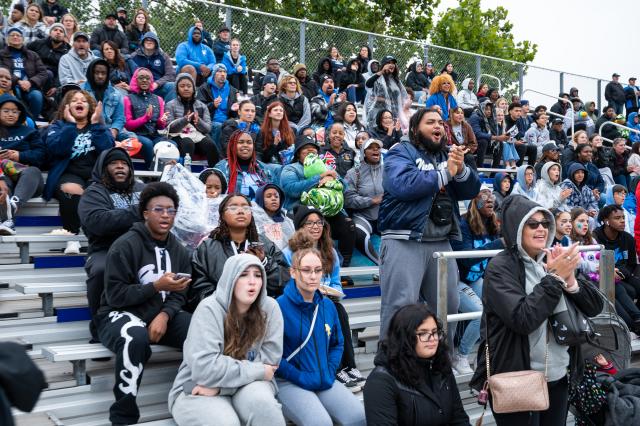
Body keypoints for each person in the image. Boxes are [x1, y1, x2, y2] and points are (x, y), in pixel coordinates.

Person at [469, 194, 603, 426]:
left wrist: (570, 281)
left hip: (559, 375)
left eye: (545, 223)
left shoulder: (553, 258)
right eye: (533, 224)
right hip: (518, 378)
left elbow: (594, 307)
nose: (541, 228)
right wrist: (554, 277)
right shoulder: (500, 268)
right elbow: (523, 319)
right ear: (516, 227)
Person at [378, 108, 481, 336]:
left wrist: (461, 169)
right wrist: (445, 174)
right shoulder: (400, 151)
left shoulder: (448, 155)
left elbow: (472, 189)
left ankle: (441, 363)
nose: (438, 127)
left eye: (440, 123)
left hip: (441, 242)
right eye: (430, 122)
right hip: (404, 239)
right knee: (400, 307)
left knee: (448, 308)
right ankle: (391, 366)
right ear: (415, 129)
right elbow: (402, 184)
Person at [96, 182, 192, 425]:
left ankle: (196, 397)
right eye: (159, 210)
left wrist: (165, 315)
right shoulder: (125, 244)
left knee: (202, 329)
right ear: (145, 213)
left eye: (171, 210)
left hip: (159, 315)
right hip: (118, 313)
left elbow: (180, 294)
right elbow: (115, 295)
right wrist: (156, 287)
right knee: (134, 336)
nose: (165, 216)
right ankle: (123, 417)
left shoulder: (178, 249)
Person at [169, 253, 286, 426]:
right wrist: (256, 370)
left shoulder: (270, 308)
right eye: (244, 275)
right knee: (225, 422)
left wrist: (222, 389)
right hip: (197, 386)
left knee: (265, 407)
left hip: (247, 383)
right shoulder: (209, 309)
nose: (252, 281)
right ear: (230, 278)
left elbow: (269, 365)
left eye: (258, 275)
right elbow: (205, 369)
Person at [275, 245, 366, 426]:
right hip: (289, 382)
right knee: (320, 423)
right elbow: (271, 355)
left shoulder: (328, 306)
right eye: (306, 270)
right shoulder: (278, 307)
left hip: (323, 378)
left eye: (318, 270)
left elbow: (337, 343)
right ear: (293, 272)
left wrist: (329, 369)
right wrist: (300, 377)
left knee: (360, 417)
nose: (313, 276)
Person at [285, 210, 364, 385]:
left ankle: (349, 366)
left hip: (326, 299)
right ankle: (336, 368)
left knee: (338, 310)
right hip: (302, 301)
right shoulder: (290, 252)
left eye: (319, 222)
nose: (315, 227)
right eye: (310, 223)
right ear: (300, 227)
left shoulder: (330, 252)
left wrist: (331, 290)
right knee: (332, 311)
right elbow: (287, 282)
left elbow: (336, 281)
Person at [78, 147, 144, 342]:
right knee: (100, 270)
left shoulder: (142, 189)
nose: (120, 167)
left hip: (142, 248)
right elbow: (98, 222)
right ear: (103, 168)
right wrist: (140, 211)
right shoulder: (94, 192)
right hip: (106, 249)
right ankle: (99, 328)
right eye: (114, 163)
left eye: (124, 164)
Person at [364, 304, 470, 425]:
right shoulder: (381, 381)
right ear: (405, 337)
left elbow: (459, 418)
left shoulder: (440, 365)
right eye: (423, 333)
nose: (433, 339)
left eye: (435, 332)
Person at [189, 193, 289, 309]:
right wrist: (228, 305)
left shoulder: (265, 244)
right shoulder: (207, 248)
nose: (241, 211)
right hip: (222, 314)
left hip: (259, 313)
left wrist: (265, 263)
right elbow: (198, 288)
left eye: (246, 208)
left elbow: (285, 281)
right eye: (233, 207)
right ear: (223, 215)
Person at [44, 90, 113, 253]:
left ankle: (99, 240)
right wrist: (70, 125)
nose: (79, 102)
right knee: (71, 190)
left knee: (98, 192)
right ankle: (72, 237)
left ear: (90, 107)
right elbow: (58, 149)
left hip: (94, 175)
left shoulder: (98, 126)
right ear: (67, 107)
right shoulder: (57, 126)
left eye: (83, 100)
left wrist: (97, 124)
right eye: (74, 100)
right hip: (68, 173)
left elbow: (108, 151)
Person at [449, 187, 503, 375]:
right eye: (484, 196)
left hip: (476, 279)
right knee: (479, 312)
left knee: (498, 306)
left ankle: (490, 353)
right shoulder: (463, 224)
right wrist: (496, 245)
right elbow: (465, 258)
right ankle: (460, 356)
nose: (490, 200)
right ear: (474, 201)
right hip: (456, 280)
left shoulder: (492, 224)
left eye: (492, 197)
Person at [280, 134, 356, 267]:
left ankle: (343, 268)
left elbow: (344, 186)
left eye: (314, 149)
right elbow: (291, 189)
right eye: (306, 149)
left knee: (349, 226)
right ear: (298, 153)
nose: (311, 151)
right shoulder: (290, 168)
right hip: (301, 211)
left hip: (328, 211)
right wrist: (319, 178)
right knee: (314, 226)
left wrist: (332, 179)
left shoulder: (326, 167)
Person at [0, 94, 45, 235]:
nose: (11, 114)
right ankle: (7, 220)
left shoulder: (29, 131)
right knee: (2, 185)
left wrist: (19, 155)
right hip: (3, 174)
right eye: (6, 111)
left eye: (14, 111)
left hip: (28, 177)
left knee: (33, 171)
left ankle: (13, 206)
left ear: (20, 113)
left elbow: (42, 155)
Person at [594, 204, 640, 332]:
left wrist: (622, 273)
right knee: (628, 291)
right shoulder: (596, 238)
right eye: (617, 218)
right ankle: (635, 321)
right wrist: (611, 272)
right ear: (606, 221)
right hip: (605, 277)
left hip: (623, 275)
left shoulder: (628, 238)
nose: (622, 221)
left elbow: (632, 264)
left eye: (623, 217)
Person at [344, 138, 383, 265]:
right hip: (363, 217)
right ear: (363, 152)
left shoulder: (388, 170)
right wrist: (372, 201)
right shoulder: (353, 173)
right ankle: (380, 265)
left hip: (384, 216)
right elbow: (348, 199)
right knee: (358, 234)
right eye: (371, 147)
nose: (376, 149)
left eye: (378, 147)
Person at [164, 73, 217, 166]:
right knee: (188, 143)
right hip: (178, 135)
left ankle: (215, 173)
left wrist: (198, 122)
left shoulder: (202, 105)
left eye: (189, 86)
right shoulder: (170, 104)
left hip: (197, 135)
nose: (186, 88)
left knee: (211, 145)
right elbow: (170, 128)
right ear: (177, 89)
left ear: (193, 89)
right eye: (182, 86)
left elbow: (208, 128)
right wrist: (184, 120)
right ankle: (185, 173)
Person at [82, 58, 135, 147]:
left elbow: (119, 118)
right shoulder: (81, 91)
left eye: (103, 73)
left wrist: (113, 132)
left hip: (111, 129)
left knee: (136, 141)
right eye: (97, 73)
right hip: (89, 130)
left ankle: (120, 160)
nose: (100, 76)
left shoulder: (115, 93)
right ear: (91, 73)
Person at [123, 67, 169, 169]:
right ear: (135, 80)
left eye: (147, 78)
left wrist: (162, 121)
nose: (144, 80)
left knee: (169, 144)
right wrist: (145, 118)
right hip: (137, 134)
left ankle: (163, 174)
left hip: (154, 134)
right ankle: (152, 174)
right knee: (148, 144)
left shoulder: (159, 99)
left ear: (151, 81)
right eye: (141, 78)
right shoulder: (128, 98)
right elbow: (128, 125)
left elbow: (161, 127)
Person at [215, 130, 278, 200]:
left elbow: (275, 194)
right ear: (232, 145)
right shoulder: (221, 167)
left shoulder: (264, 168)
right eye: (241, 142)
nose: (245, 145)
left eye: (249, 142)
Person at [0, 28, 47, 118]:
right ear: (7, 39)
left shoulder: (32, 55)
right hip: (11, 86)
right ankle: (20, 118)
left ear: (22, 39)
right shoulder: (1, 54)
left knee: (37, 95)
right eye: (12, 35)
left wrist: (30, 82)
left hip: (30, 86)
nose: (15, 37)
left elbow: (43, 73)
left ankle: (32, 120)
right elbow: (2, 70)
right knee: (16, 91)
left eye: (18, 35)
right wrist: (18, 81)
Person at [197, 63, 238, 150]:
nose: (223, 74)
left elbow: (235, 114)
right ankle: (217, 156)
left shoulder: (232, 90)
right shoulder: (204, 88)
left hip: (227, 121)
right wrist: (213, 105)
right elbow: (199, 109)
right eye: (219, 71)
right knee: (219, 126)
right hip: (210, 121)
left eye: (224, 72)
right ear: (214, 73)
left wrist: (234, 110)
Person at [128, 32, 177, 102]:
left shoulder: (163, 56)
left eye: (151, 40)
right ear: (143, 42)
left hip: (157, 87)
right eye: (146, 40)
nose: (149, 42)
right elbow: (129, 73)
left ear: (156, 43)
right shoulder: (133, 56)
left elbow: (170, 75)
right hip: (139, 88)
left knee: (172, 86)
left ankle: (168, 111)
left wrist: (157, 83)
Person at [26, 22, 69, 98]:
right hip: (34, 72)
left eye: (61, 31)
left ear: (64, 36)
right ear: (50, 33)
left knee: (48, 74)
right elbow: (24, 51)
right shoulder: (38, 43)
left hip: (52, 79)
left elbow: (65, 71)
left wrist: (56, 86)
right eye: (55, 30)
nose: (58, 32)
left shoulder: (67, 51)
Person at [364, 55, 407, 129]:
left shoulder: (396, 80)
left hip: (393, 115)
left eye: (393, 63)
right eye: (388, 63)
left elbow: (403, 96)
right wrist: (382, 71)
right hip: (377, 114)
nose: (391, 65)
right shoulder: (378, 77)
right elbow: (368, 84)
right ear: (384, 65)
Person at [255, 183, 295, 250]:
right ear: (260, 199)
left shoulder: (287, 219)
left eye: (276, 196)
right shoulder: (255, 220)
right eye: (269, 196)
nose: (274, 199)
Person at [469, 100, 503, 169]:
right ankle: (479, 167)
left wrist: (499, 130)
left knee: (500, 144)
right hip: (474, 145)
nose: (489, 111)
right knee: (483, 141)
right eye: (486, 109)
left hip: (486, 145)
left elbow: (496, 134)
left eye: (490, 110)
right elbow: (477, 134)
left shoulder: (490, 118)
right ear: (481, 108)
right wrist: (495, 137)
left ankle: (494, 171)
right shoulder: (475, 117)